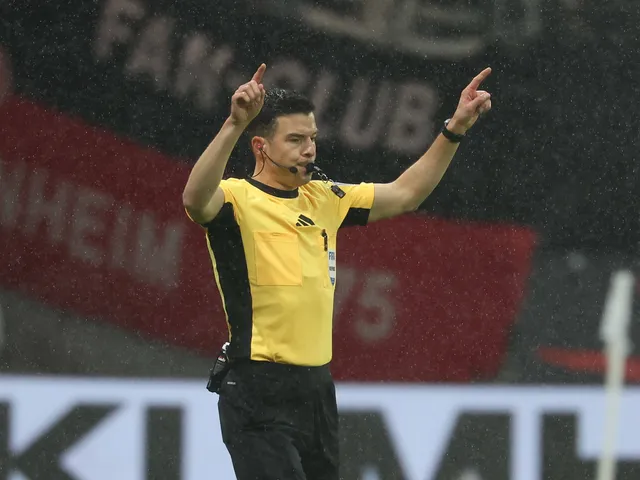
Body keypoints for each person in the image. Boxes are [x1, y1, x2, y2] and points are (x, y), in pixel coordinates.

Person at [182, 62, 492, 480]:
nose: (309, 149)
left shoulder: (325, 199)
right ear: (260, 147)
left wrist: (454, 129)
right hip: (257, 386)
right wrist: (233, 124)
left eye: (312, 138)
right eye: (295, 140)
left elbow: (405, 194)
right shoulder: (235, 199)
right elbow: (194, 199)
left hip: (315, 391)